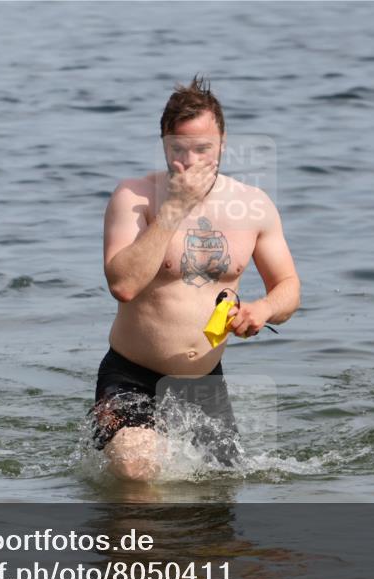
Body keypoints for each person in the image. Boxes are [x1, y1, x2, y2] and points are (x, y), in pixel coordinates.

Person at [93, 77, 300, 482]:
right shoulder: (134, 197)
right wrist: (173, 209)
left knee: (215, 502)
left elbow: (289, 287)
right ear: (164, 145)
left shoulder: (253, 205)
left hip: (203, 385)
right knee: (136, 472)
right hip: (132, 376)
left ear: (222, 143)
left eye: (203, 149)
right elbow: (123, 285)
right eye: (178, 150)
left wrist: (263, 309)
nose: (190, 162)